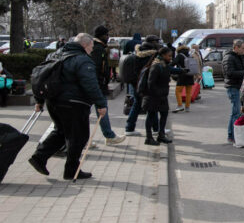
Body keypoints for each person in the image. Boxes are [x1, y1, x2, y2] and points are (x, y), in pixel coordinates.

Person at [28, 33, 108, 180]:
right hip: (74, 103)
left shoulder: (54, 55)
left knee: (61, 131)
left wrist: (39, 100)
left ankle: (39, 157)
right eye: (91, 46)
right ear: (84, 45)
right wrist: (101, 104)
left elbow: (41, 77)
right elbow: (90, 84)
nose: (92, 49)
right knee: (79, 136)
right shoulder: (83, 60)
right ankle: (71, 170)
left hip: (53, 101)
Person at [91, 25, 126, 145]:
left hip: (98, 84)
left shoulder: (100, 47)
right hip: (96, 85)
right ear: (101, 35)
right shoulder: (98, 49)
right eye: (106, 35)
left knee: (97, 110)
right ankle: (109, 136)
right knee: (101, 110)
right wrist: (101, 82)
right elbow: (95, 68)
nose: (108, 37)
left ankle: (106, 136)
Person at [142, 47, 178, 145]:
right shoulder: (156, 65)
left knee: (164, 114)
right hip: (153, 96)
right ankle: (148, 138)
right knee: (151, 116)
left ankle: (161, 135)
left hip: (162, 95)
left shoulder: (164, 64)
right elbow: (151, 83)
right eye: (169, 56)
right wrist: (158, 93)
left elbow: (170, 70)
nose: (170, 58)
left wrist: (181, 71)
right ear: (163, 55)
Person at [125, 39, 159, 136]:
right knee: (152, 105)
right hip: (146, 85)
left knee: (137, 105)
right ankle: (156, 129)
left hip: (135, 84)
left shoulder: (136, 54)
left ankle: (129, 128)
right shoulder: (152, 56)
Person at [223, 39, 244, 144]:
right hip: (233, 87)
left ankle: (233, 135)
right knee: (236, 112)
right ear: (236, 48)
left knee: (237, 112)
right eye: (242, 48)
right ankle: (232, 136)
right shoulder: (229, 57)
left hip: (240, 86)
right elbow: (229, 73)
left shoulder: (241, 57)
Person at [172, 44, 195, 112]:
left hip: (182, 75)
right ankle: (187, 107)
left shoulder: (180, 55)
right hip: (190, 75)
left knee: (178, 91)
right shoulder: (190, 55)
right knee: (188, 92)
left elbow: (174, 63)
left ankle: (180, 106)